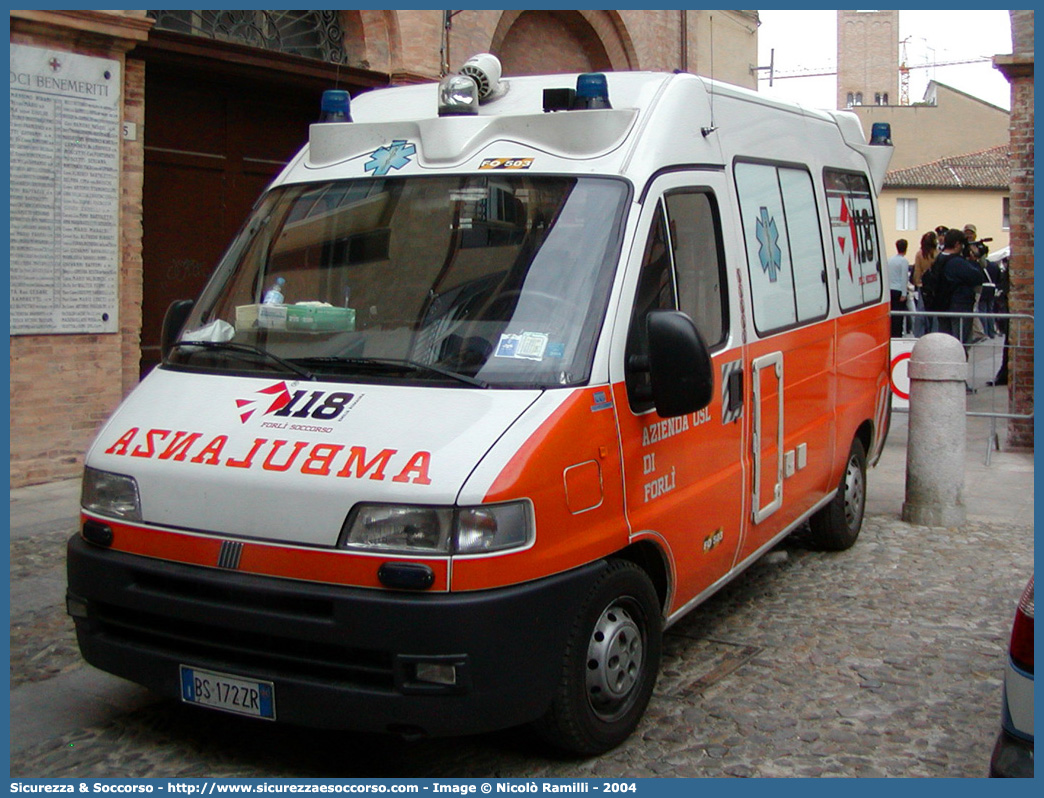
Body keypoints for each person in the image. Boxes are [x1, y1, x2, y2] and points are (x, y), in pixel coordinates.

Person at [931, 228, 986, 344]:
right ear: (957, 244)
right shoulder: (957, 262)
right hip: (960, 307)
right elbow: (977, 277)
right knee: (960, 343)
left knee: (946, 342)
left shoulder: (939, 259)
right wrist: (973, 261)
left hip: (942, 306)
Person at [911, 230, 938, 336]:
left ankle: (919, 334)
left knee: (921, 312)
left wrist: (917, 283)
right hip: (935, 286)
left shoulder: (920, 254)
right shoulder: (937, 254)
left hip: (923, 286)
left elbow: (917, 271)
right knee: (935, 313)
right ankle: (934, 333)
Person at [887, 239, 909, 337]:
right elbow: (904, 277)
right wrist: (904, 293)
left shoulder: (890, 260)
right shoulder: (904, 261)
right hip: (899, 290)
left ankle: (891, 334)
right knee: (898, 317)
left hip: (890, 289)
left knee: (892, 314)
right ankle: (897, 335)